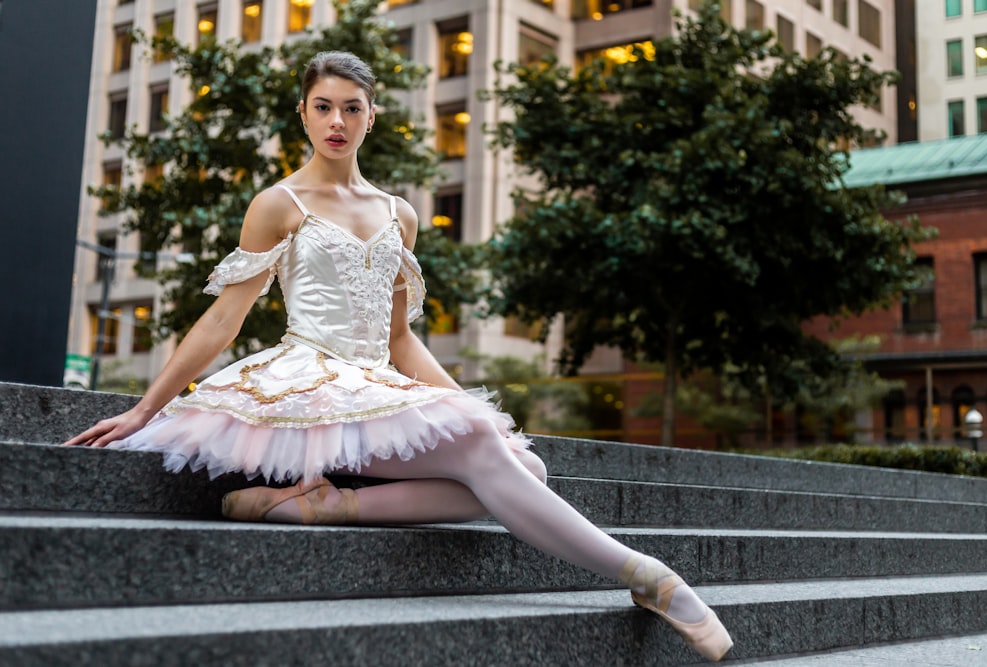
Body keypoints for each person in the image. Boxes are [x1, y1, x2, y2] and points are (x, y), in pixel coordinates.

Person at [65, 51, 732, 661]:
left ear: (371, 116)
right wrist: (146, 408)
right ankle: (648, 574)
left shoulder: (400, 213)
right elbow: (225, 316)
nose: (336, 121)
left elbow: (401, 338)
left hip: (375, 381)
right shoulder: (278, 203)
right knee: (491, 458)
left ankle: (313, 507)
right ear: (303, 113)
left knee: (523, 459)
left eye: (351, 108)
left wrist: (466, 406)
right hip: (308, 384)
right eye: (323, 106)